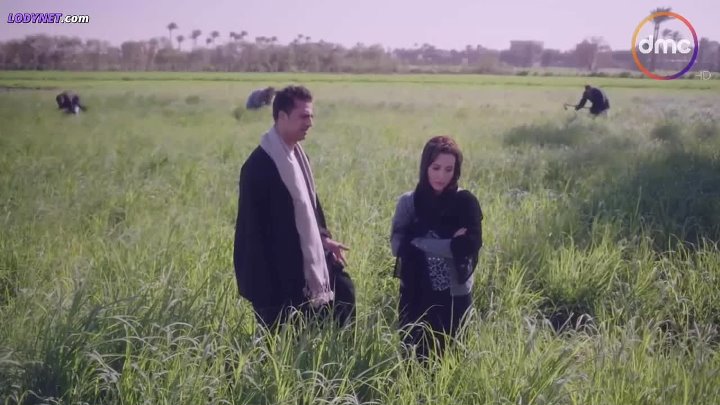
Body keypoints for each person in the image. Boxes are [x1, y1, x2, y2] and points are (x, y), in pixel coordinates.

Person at [233, 85, 355, 331]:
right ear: (282, 116)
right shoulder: (259, 167)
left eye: (311, 116)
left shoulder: (299, 158)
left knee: (344, 295)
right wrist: (264, 290)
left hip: (304, 268)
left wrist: (323, 239)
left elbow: (310, 209)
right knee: (282, 343)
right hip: (275, 279)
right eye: (304, 116)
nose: (310, 123)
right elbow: (252, 233)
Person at [391, 135, 483, 361]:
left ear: (456, 170)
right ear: (425, 166)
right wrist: (449, 243)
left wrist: (418, 241)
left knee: (452, 358)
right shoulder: (409, 202)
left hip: (453, 293)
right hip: (415, 291)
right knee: (413, 357)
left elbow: (468, 246)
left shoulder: (465, 203)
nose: (441, 176)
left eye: (449, 169)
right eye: (436, 168)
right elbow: (397, 246)